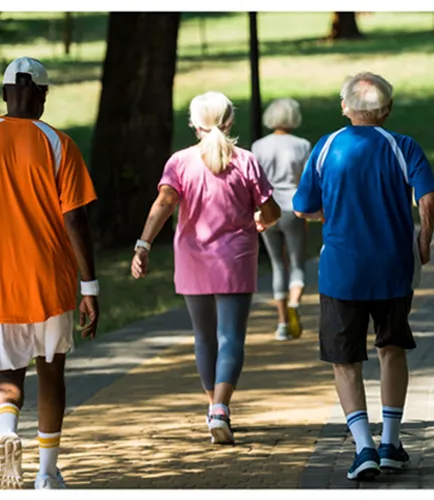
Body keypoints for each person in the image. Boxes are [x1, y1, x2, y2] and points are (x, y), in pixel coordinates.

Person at [293, 72, 434, 481]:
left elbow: (304, 207)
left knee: (345, 360)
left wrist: (331, 213)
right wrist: (424, 238)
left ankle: (364, 448)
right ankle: (391, 442)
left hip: (341, 272)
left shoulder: (326, 147)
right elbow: (429, 194)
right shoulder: (402, 146)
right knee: (392, 349)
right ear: (387, 109)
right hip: (394, 267)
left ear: (345, 108)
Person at [131, 92, 281, 446]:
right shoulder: (246, 161)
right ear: (230, 122)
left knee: (204, 337)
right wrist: (261, 221)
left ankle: (213, 406)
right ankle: (220, 410)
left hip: (193, 259)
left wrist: (143, 244)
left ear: (194, 124)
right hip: (236, 260)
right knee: (231, 337)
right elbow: (271, 210)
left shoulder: (179, 162)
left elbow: (165, 202)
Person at [0, 57, 100, 490]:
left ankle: (5, 432)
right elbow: (75, 219)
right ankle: (46, 474)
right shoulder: (59, 143)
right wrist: (90, 286)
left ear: (5, 94)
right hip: (50, 281)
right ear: (41, 95)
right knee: (51, 371)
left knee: (6, 375)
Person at [252, 98, 313, 341]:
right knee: (297, 262)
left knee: (278, 264)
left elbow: (254, 179)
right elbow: (307, 180)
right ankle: (295, 302)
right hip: (293, 208)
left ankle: (281, 324)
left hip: (268, 209)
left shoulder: (258, 146)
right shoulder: (302, 145)